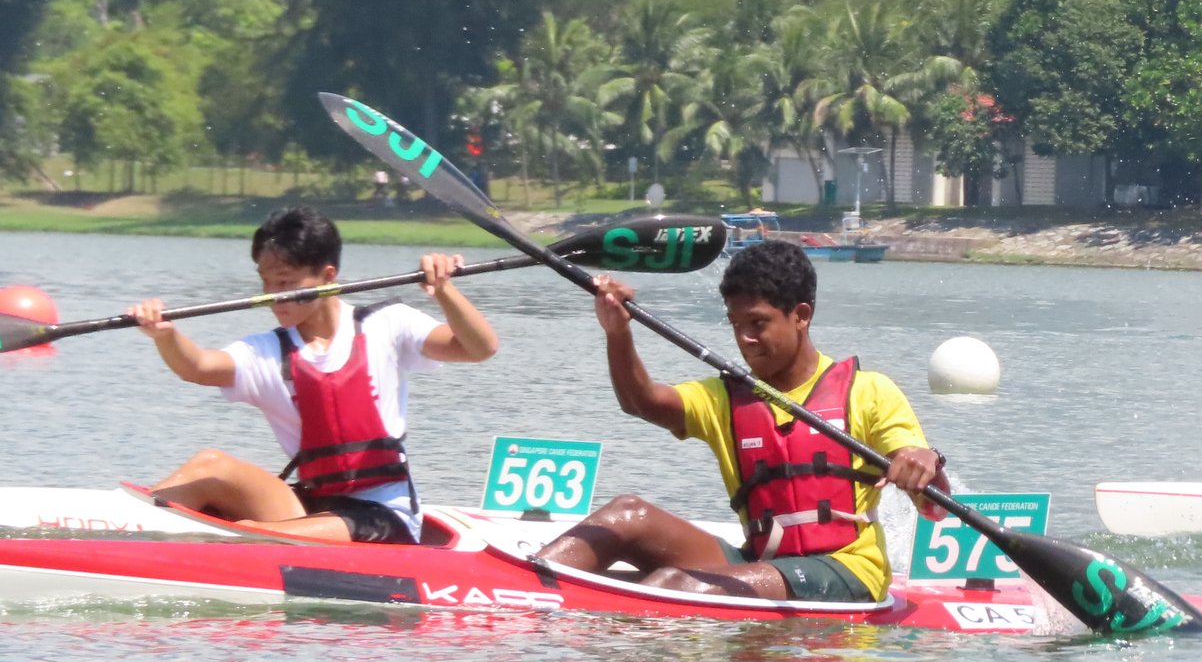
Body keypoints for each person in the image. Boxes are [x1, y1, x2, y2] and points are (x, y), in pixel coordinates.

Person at [532, 241, 948, 602]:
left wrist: (922, 462)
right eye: (736, 324)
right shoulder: (726, 398)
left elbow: (932, 505)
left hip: (847, 571)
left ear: (800, 315)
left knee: (674, 584)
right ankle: (527, 588)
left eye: (758, 323)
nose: (744, 339)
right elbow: (640, 402)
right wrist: (618, 333)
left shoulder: (869, 391)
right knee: (626, 514)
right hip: (761, 562)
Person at [127, 207, 500, 543]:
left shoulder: (387, 325)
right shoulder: (268, 350)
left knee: (253, 535)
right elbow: (197, 367)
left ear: (327, 275)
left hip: (384, 516)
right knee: (211, 466)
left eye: (286, 283)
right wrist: (166, 335)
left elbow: (479, 348)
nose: (273, 296)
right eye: (266, 282)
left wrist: (444, 290)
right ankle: (121, 528)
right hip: (310, 505)